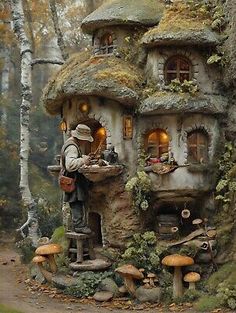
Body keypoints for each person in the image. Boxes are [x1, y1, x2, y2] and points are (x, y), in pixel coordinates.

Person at [61, 124, 93, 234]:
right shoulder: (72, 147)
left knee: (78, 200)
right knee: (75, 201)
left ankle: (79, 224)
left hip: (73, 179)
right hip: (72, 179)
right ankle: (78, 225)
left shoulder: (72, 143)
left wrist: (82, 158)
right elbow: (70, 165)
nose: (85, 142)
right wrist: (83, 160)